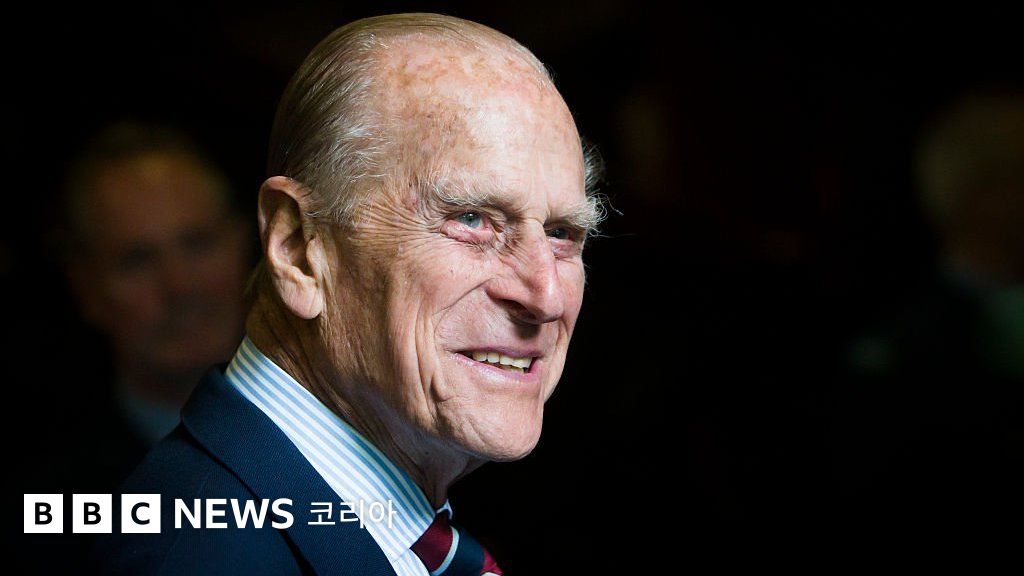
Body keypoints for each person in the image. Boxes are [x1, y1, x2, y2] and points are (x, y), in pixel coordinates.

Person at [96, 13, 603, 575]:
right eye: (471, 219)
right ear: (298, 248)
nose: (546, 297)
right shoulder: (198, 558)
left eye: (562, 233)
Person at [60, 122, 251, 489]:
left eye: (198, 243)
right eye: (137, 260)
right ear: (87, 288)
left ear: (247, 242)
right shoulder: (58, 501)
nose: (180, 286)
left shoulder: (345, 437)